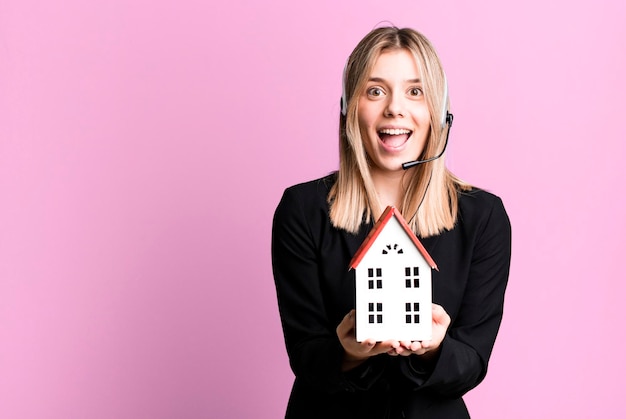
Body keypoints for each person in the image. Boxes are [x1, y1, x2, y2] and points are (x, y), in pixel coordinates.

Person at [271, 26, 511, 419]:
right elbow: (305, 355)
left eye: (415, 92)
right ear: (350, 108)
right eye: (375, 90)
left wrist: (435, 347)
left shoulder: (483, 218)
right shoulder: (302, 209)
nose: (394, 109)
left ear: (439, 110)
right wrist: (347, 351)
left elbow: (472, 362)